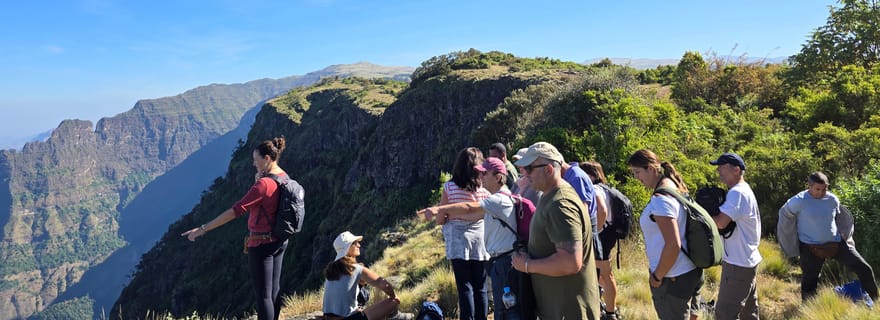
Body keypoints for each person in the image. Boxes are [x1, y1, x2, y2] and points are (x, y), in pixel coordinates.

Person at [182, 137, 292, 320]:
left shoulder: (264, 184)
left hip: (261, 243)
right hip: (279, 240)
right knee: (274, 290)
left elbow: (235, 211)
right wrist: (258, 180)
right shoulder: (284, 177)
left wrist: (202, 229)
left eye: (256, 160)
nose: (253, 163)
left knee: (263, 296)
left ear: (266, 159)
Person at [418, 157, 521, 319]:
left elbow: (468, 208)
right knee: (485, 292)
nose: (480, 176)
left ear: (498, 177)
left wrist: (439, 209)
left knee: (503, 309)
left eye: (484, 173)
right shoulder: (501, 196)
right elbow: (472, 214)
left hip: (502, 261)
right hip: (495, 255)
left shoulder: (497, 200)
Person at [510, 142, 601, 319]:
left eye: (529, 168)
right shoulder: (550, 195)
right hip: (558, 308)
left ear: (549, 169)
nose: (525, 174)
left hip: (569, 311)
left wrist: (527, 265)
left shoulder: (560, 204)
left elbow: (570, 262)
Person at [777, 172, 878, 301]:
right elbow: (784, 215)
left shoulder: (832, 199)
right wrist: (789, 239)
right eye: (817, 189)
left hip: (836, 244)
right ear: (809, 186)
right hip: (810, 247)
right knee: (810, 281)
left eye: (824, 189)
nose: (821, 192)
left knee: (865, 269)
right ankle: (808, 308)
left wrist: (845, 234)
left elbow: (841, 217)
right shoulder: (798, 201)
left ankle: (876, 301)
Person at [627, 149, 703, 320]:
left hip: (673, 277)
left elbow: (673, 245)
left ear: (651, 168)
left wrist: (657, 276)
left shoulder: (661, 199)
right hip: (690, 270)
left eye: (637, 172)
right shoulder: (675, 187)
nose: (636, 178)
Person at [438, 147, 491, 320]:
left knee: (465, 286)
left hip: (458, 240)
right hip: (480, 239)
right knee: (480, 286)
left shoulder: (449, 187)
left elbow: (440, 218)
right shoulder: (484, 189)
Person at [708, 153, 762, 320]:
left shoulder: (737, 193)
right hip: (746, 260)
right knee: (749, 314)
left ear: (736, 170)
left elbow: (720, 223)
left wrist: (701, 213)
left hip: (738, 264)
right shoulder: (743, 190)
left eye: (721, 167)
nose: (718, 171)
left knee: (724, 314)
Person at [322, 231, 409, 320]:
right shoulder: (355, 268)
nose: (359, 245)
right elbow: (384, 285)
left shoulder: (331, 271)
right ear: (348, 247)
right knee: (394, 301)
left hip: (327, 317)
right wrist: (393, 296)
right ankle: (395, 316)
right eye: (355, 243)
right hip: (348, 319)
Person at [579, 161, 620, 320]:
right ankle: (607, 308)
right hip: (608, 233)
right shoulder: (605, 188)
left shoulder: (595, 189)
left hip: (602, 235)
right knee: (601, 273)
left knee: (605, 274)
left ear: (591, 175)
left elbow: (602, 210)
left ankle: (610, 313)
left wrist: (596, 231)